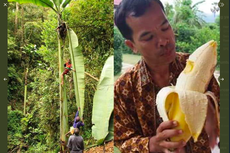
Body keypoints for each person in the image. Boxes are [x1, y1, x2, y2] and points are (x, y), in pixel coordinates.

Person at [114, 0, 220, 152]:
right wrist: (152, 144)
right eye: (148, 37)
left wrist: (213, 114)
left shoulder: (197, 67)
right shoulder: (124, 88)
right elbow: (122, 140)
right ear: (133, 46)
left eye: (165, 27)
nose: (164, 41)